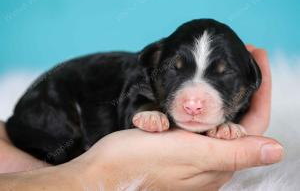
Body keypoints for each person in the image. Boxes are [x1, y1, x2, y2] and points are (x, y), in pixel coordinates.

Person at [0, 46, 283, 190]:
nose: (194, 101)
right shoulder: (143, 81)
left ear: (251, 80)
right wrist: (92, 176)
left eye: (223, 74)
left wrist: (225, 119)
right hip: (50, 112)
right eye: (177, 71)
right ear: (155, 64)